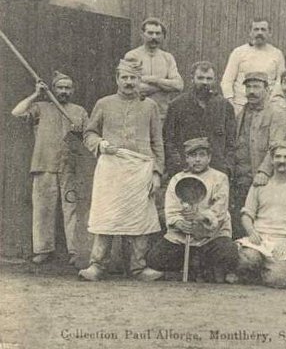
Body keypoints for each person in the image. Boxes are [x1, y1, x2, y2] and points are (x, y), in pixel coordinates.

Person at [79, 58, 165, 282]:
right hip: (111, 168)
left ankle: (138, 267)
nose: (129, 82)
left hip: (141, 169)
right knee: (105, 215)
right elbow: (89, 133)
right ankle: (97, 265)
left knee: (141, 218)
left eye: (133, 78)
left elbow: (157, 142)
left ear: (139, 80)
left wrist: (157, 173)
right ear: (117, 79)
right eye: (124, 77)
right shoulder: (104, 103)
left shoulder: (150, 106)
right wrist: (100, 144)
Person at [11, 71, 89, 265]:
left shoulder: (79, 111)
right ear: (53, 89)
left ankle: (75, 251)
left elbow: (89, 136)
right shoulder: (40, 107)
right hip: (44, 164)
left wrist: (81, 133)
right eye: (60, 88)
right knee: (43, 209)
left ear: (73, 90)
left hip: (70, 167)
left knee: (72, 208)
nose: (64, 91)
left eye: (67, 88)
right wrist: (36, 94)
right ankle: (43, 250)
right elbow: (17, 112)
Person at [146, 138, 239, 282]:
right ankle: (193, 271)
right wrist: (178, 223)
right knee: (156, 257)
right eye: (192, 156)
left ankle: (201, 269)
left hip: (211, 236)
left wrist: (201, 216)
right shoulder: (178, 179)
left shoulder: (220, 178)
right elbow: (171, 209)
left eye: (202, 155)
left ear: (209, 158)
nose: (197, 160)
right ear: (187, 158)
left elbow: (219, 211)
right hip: (183, 237)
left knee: (228, 252)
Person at [234, 142, 286, 288]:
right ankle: (259, 267)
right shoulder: (259, 184)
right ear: (271, 159)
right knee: (246, 262)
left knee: (278, 280)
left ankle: (270, 270)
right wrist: (251, 232)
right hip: (259, 241)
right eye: (278, 157)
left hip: (283, 242)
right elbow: (246, 214)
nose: (282, 161)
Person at [231, 72, 286, 239]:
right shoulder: (242, 113)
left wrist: (263, 172)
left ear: (267, 89)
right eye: (248, 87)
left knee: (262, 224)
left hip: (262, 179)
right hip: (240, 179)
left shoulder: (277, 113)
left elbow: (278, 146)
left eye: (256, 87)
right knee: (239, 223)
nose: (251, 91)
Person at [163, 61, 236, 179]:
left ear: (215, 80)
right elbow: (168, 140)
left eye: (209, 79)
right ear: (192, 79)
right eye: (200, 78)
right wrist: (177, 166)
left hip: (217, 171)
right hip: (185, 170)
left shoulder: (225, 106)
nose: (205, 82)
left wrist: (227, 168)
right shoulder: (177, 105)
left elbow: (231, 142)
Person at [221, 17, 286, 115]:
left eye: (263, 29)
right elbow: (227, 81)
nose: (259, 33)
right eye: (256, 29)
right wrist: (231, 104)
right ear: (250, 32)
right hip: (241, 105)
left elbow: (280, 82)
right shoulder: (238, 52)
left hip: (267, 107)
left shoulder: (277, 54)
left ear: (270, 33)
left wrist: (273, 103)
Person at [124, 17, 184, 120]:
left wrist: (155, 80)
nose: (154, 37)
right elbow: (132, 87)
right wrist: (164, 87)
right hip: (137, 115)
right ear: (142, 35)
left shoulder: (168, 58)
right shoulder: (132, 56)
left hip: (161, 116)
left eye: (158, 33)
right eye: (150, 33)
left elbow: (179, 85)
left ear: (163, 36)